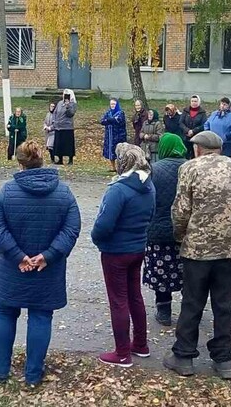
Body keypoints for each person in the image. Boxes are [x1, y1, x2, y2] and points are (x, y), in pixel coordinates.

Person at [0, 140, 81, 386]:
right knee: (41, 316)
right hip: (47, 269)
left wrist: (18, 256)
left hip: (12, 267)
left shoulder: (6, 192)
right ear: (42, 160)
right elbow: (71, 230)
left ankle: (0, 369)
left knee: (6, 312)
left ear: (20, 163)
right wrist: (48, 256)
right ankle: (33, 374)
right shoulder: (64, 192)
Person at [163, 131, 231, 380]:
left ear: (199, 149)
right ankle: (223, 360)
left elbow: (180, 211)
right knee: (223, 305)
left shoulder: (190, 168)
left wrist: (181, 237)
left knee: (192, 302)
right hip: (229, 248)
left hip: (197, 249)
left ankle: (184, 356)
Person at [91, 143, 155, 368]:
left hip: (116, 252)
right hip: (137, 249)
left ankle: (122, 353)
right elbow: (151, 216)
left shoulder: (118, 189)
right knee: (134, 296)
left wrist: (98, 239)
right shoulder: (148, 186)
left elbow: (103, 225)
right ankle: (140, 344)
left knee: (118, 300)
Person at [144, 134, 187, 326]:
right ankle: (190, 309)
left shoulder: (153, 170)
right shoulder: (190, 167)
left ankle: (164, 311)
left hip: (158, 231)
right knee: (188, 271)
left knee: (161, 272)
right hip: (187, 231)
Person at [100, 98, 128, 172]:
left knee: (119, 152)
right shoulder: (108, 112)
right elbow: (102, 121)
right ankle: (113, 167)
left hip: (118, 135)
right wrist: (110, 120)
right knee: (110, 152)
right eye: (111, 104)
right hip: (109, 136)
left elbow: (118, 120)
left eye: (114, 104)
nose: (112, 105)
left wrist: (109, 120)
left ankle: (121, 167)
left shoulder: (120, 113)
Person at [53, 89, 77, 165]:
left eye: (67, 95)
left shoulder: (72, 104)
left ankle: (70, 160)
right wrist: (55, 121)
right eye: (64, 94)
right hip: (59, 126)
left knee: (68, 144)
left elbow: (71, 114)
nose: (65, 96)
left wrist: (68, 106)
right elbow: (55, 112)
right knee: (59, 144)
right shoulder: (60, 103)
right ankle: (60, 159)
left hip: (67, 127)